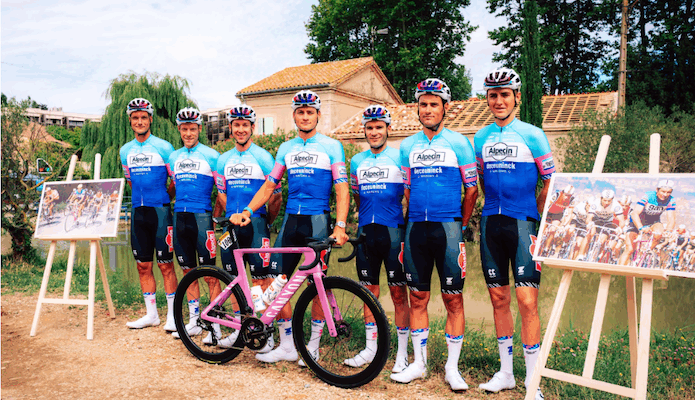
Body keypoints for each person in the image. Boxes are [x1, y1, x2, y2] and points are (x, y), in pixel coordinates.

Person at [229, 90, 350, 365]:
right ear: (294, 116)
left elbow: (342, 188)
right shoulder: (285, 148)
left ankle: (313, 346)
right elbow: (270, 185)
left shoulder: (332, 146)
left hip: (318, 221)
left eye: (310, 112)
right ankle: (287, 345)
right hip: (290, 222)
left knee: (317, 284)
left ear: (318, 115)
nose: (305, 116)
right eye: (300, 112)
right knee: (276, 283)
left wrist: (341, 225)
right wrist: (248, 211)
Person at [391, 78, 478, 390]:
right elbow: (407, 189)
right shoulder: (407, 146)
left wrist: (460, 226)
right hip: (416, 228)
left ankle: (452, 368)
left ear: (445, 108)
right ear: (417, 108)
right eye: (423, 104)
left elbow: (472, 190)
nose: (427, 110)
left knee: (453, 298)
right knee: (417, 297)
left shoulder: (459, 143)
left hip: (448, 227)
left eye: (433, 104)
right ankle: (419, 363)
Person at [473, 68, 555, 400]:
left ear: (516, 98)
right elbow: (481, 179)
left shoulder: (533, 135)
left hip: (524, 224)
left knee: (527, 301)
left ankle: (533, 381)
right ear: (487, 99)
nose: (499, 101)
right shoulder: (480, 138)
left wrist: (537, 215)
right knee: (498, 299)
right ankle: (506, 373)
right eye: (493, 95)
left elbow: (550, 181)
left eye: (505, 94)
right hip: (491, 224)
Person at [346, 105, 410, 373]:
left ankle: (403, 354)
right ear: (365, 130)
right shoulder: (356, 161)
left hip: (393, 232)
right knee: (367, 292)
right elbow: (357, 196)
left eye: (379, 127)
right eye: (370, 128)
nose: (374, 132)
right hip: (365, 233)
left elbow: (408, 196)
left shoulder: (399, 157)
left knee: (398, 293)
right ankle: (370, 349)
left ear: (388, 129)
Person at [213, 105, 282, 349]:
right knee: (233, 280)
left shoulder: (264, 157)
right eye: (236, 125)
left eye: (245, 125)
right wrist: (232, 216)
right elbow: (221, 194)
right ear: (230, 128)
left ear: (253, 128)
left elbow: (276, 197)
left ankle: (266, 333)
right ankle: (238, 329)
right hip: (230, 226)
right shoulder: (223, 160)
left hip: (256, 224)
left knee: (261, 281)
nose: (240, 129)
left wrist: (265, 221)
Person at [119, 98, 177, 330]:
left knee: (166, 265)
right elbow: (131, 182)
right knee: (143, 265)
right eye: (135, 118)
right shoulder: (125, 151)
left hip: (160, 211)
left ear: (150, 119)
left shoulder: (164, 147)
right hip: (138, 212)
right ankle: (151, 315)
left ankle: (173, 316)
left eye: (144, 117)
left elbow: (174, 181)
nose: (140, 121)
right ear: (130, 121)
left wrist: (164, 198)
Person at [166, 107, 221, 341]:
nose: (188, 133)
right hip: (180, 217)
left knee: (210, 275)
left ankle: (216, 325)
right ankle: (194, 321)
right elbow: (173, 186)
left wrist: (215, 218)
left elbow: (222, 192)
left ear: (199, 129)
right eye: (184, 129)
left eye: (192, 129)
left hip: (202, 218)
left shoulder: (212, 156)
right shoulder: (173, 157)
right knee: (188, 271)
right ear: (179, 130)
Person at [618, 179, 676, 266]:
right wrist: (641, 227)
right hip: (637, 220)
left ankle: (644, 252)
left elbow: (671, 219)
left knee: (659, 233)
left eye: (668, 192)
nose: (665, 195)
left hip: (653, 221)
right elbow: (634, 213)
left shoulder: (671, 200)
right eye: (663, 191)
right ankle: (619, 269)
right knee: (629, 249)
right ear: (657, 190)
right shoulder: (648, 196)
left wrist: (668, 231)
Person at [576, 189, 624, 262]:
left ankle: (595, 256)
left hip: (607, 222)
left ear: (612, 199)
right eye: (605, 200)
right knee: (590, 233)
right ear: (601, 198)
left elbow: (622, 221)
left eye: (609, 201)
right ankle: (581, 255)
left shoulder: (616, 205)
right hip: (596, 220)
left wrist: (620, 228)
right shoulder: (595, 203)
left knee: (602, 240)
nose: (606, 203)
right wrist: (589, 223)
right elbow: (589, 218)